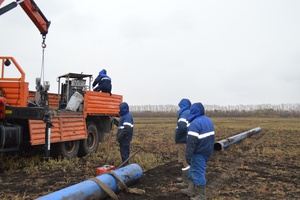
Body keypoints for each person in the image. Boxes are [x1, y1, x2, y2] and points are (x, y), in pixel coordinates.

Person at [181, 102, 215, 200]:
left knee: (198, 172)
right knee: (192, 170)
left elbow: (191, 143)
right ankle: (190, 190)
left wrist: (188, 156)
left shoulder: (194, 123)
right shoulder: (208, 120)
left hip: (198, 152)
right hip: (207, 151)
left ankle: (202, 196)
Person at [174, 98, 191, 187]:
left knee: (184, 159)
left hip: (183, 139)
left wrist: (177, 137)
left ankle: (186, 179)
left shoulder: (184, 113)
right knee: (186, 158)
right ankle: (186, 177)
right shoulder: (189, 112)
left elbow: (182, 127)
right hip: (188, 139)